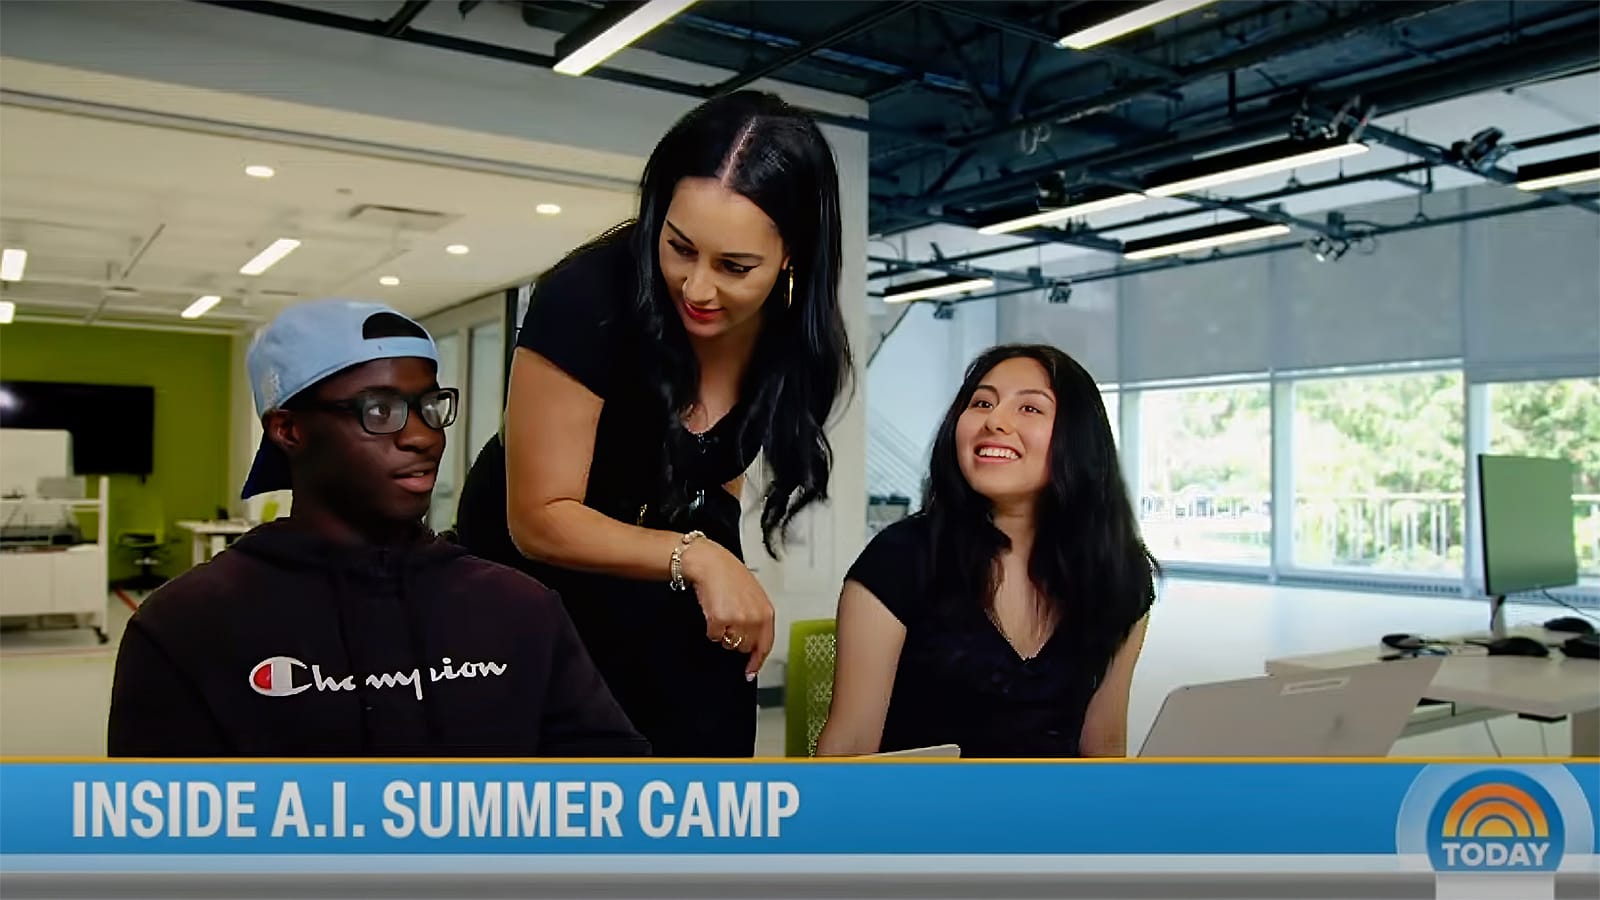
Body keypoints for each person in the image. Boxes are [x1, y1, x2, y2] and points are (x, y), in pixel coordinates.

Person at [453, 90, 853, 758]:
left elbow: (717, 468)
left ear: (792, 256)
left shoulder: (791, 336)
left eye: (734, 267)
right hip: (538, 589)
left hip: (662, 571)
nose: (697, 289)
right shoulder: (589, 297)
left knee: (710, 776)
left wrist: (720, 574)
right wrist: (698, 557)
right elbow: (539, 516)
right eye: (679, 247)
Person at [106, 299, 649, 758]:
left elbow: (611, 796)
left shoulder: (519, 608)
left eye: (429, 406)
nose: (423, 437)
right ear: (288, 429)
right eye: (380, 410)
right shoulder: (189, 627)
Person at [816, 344, 1158, 759]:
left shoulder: (1122, 576)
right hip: (920, 818)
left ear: (1079, 437)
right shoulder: (898, 560)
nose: (994, 421)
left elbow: (1104, 745)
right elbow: (850, 749)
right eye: (981, 403)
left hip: (1052, 819)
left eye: (1030, 409)